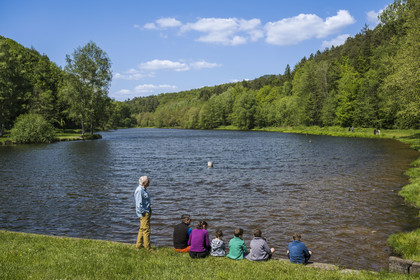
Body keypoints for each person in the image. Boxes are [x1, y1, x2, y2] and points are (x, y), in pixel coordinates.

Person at [134, 176, 153, 251]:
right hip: (144, 213)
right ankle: (147, 248)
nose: (149, 182)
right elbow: (139, 204)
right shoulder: (139, 190)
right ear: (144, 183)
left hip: (146, 212)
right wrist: (144, 213)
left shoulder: (143, 189)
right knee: (146, 230)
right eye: (148, 181)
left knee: (142, 229)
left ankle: (138, 246)